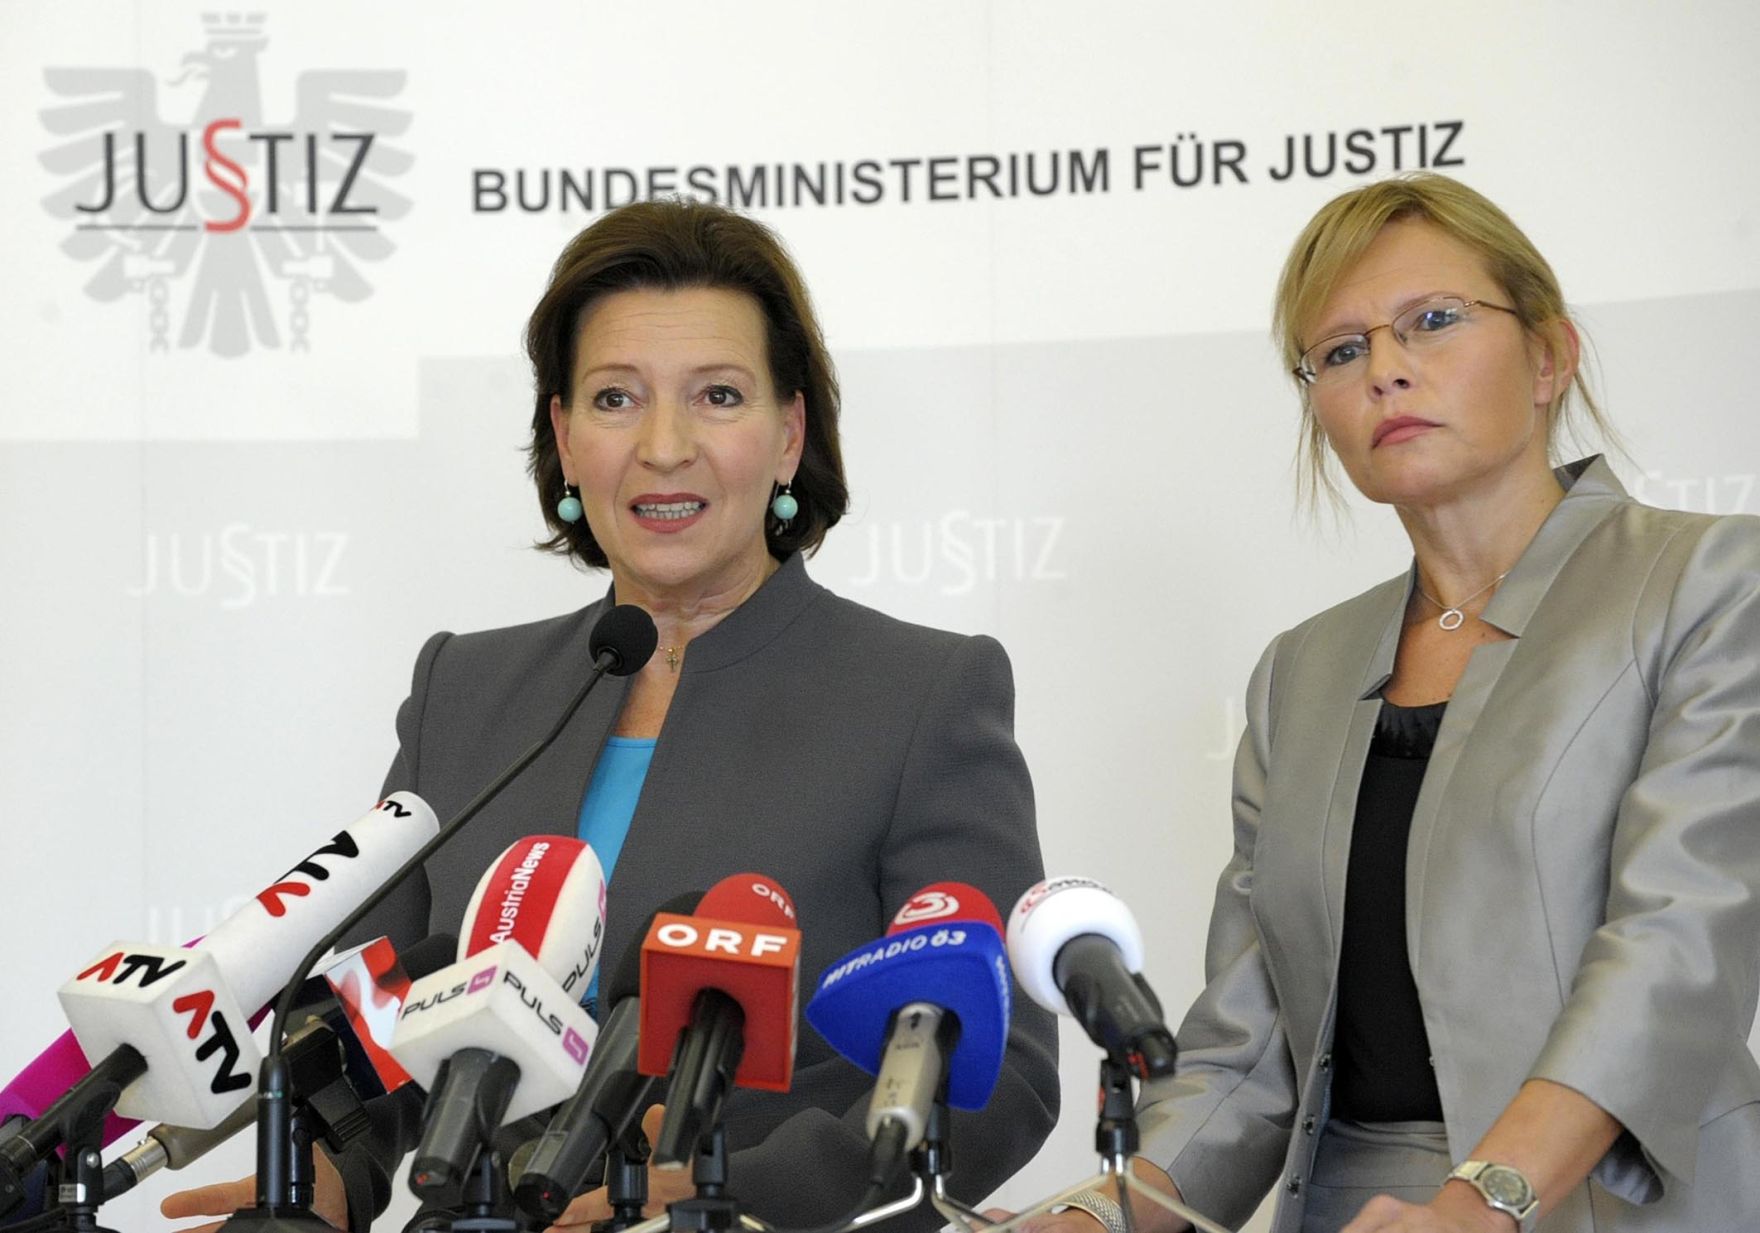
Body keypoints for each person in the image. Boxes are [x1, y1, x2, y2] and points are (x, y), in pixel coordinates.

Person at [162, 199, 1058, 1232]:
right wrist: (327, 1175)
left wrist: (738, 1197)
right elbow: (373, 1026)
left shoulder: (919, 694)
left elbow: (999, 1074)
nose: (664, 447)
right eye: (614, 398)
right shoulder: (466, 690)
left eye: (717, 397)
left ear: (787, 434)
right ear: (563, 435)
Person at [1010, 174, 1760, 1233]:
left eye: (1432, 322)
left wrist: (1482, 1198)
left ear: (1548, 355)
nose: (1386, 370)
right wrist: (1102, 1214)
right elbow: (1247, 1045)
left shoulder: (1710, 581)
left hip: (1622, 1204)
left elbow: (1677, 949)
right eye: (1341, 351)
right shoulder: (1299, 672)